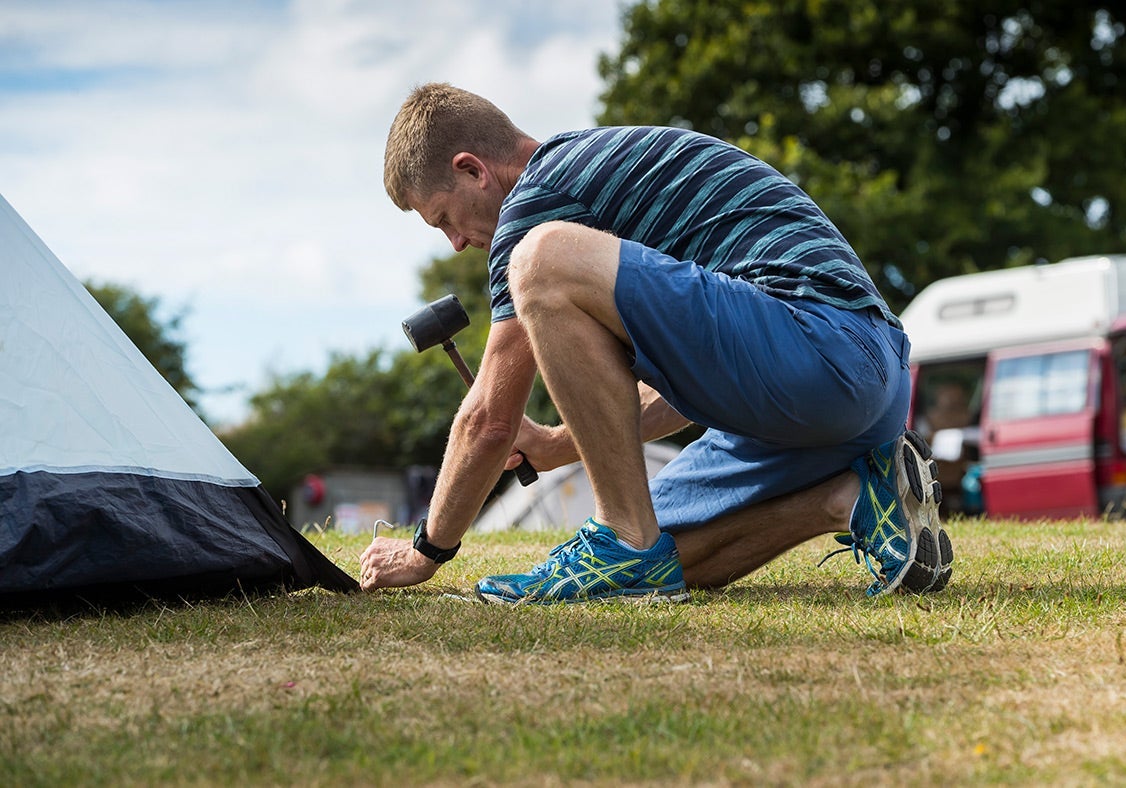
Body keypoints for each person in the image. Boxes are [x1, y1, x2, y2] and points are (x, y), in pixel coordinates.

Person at [358, 83, 953, 604]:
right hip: (859, 381)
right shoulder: (603, 178)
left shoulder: (535, 199)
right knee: (666, 555)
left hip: (826, 346)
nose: (455, 243)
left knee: (541, 258)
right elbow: (705, 377)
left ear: (472, 170)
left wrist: (426, 552)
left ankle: (621, 536)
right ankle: (853, 497)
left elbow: (488, 419)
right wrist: (559, 445)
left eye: (442, 219)